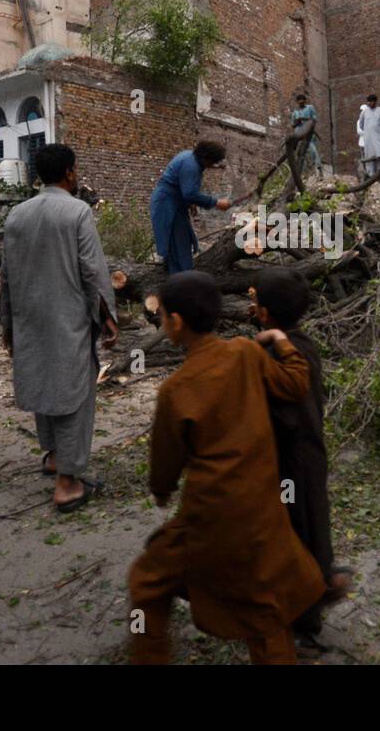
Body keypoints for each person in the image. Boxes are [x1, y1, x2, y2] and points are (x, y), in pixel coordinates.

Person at [129, 271, 325, 665]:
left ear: (177, 323)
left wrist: (162, 490)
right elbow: (295, 384)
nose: (163, 322)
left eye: (163, 315)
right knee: (263, 609)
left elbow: (165, 459)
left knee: (148, 582)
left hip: (211, 516)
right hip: (263, 510)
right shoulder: (247, 353)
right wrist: (282, 341)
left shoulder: (177, 389)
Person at [0, 144, 118, 512]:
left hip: (29, 316)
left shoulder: (16, 215)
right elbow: (93, 271)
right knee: (74, 394)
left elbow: (6, 276)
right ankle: (67, 483)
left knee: (44, 381)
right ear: (70, 171)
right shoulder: (77, 211)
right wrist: (108, 317)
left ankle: (53, 457)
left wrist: (8, 324)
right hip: (68, 317)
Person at [250, 267, 352, 650]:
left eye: (254, 298)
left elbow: (280, 409)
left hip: (292, 459)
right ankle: (319, 582)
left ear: (264, 312)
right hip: (308, 455)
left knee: (297, 530)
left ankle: (305, 621)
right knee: (309, 524)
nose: (251, 304)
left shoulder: (278, 352)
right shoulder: (303, 344)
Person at [149, 141, 232, 274]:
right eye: (212, 162)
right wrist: (216, 202)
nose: (211, 166)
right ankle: (181, 280)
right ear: (206, 158)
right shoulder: (191, 166)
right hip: (167, 204)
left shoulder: (190, 157)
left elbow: (182, 186)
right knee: (177, 245)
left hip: (175, 203)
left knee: (182, 241)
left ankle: (181, 277)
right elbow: (189, 193)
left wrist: (191, 203)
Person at [357, 94, 380, 179]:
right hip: (368, 139)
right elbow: (361, 125)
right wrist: (368, 131)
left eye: (372, 101)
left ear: (375, 102)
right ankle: (370, 177)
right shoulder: (364, 112)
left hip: (379, 139)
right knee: (369, 158)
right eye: (369, 102)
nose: (371, 103)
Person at [291, 94, 322, 178]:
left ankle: (319, 170)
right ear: (297, 102)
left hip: (309, 134)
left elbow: (314, 120)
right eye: (299, 102)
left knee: (313, 151)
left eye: (303, 101)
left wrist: (304, 119)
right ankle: (304, 174)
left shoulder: (310, 108)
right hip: (299, 135)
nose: (301, 103)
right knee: (301, 154)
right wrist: (297, 122)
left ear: (305, 101)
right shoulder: (295, 112)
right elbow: (293, 125)